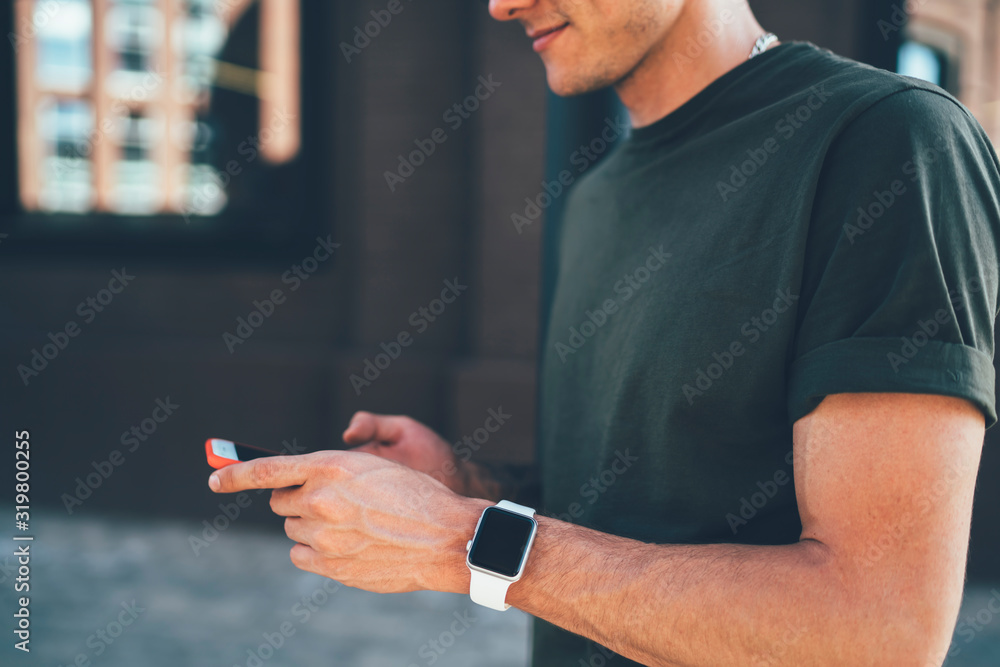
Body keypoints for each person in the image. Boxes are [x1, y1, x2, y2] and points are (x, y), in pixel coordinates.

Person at [208, 1, 1000, 664]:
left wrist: (464, 540)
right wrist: (467, 485)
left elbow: (880, 630)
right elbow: (638, 509)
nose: (502, 4)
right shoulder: (594, 198)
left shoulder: (889, 144)